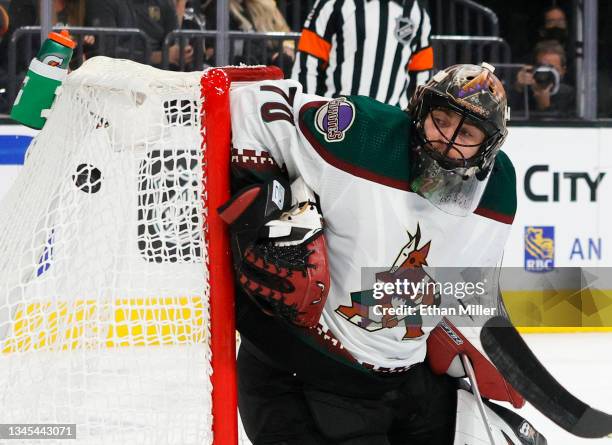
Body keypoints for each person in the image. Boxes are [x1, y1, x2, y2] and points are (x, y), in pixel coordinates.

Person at [221, 63, 546, 443]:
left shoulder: (498, 194)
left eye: (468, 132)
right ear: (419, 110)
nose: (449, 139)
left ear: (488, 148)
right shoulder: (362, 135)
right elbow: (253, 103)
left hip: (401, 380)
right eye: (440, 119)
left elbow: (462, 286)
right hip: (299, 372)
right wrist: (266, 210)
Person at [291, 0, 433, 108]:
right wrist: (306, 115)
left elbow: (422, 80)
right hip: (336, 120)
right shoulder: (334, 4)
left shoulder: (418, 14)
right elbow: (306, 65)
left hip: (393, 126)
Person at [85, 0, 193, 68]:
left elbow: (173, 40)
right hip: (119, 77)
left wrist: (182, 52)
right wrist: (160, 56)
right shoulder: (102, 3)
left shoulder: (163, 3)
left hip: (159, 76)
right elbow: (106, 52)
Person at [511, 40, 575, 118]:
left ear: (563, 70)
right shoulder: (526, 91)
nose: (546, 74)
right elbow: (504, 117)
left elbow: (568, 126)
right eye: (542, 67)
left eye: (552, 68)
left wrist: (545, 107)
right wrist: (518, 88)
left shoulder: (570, 95)